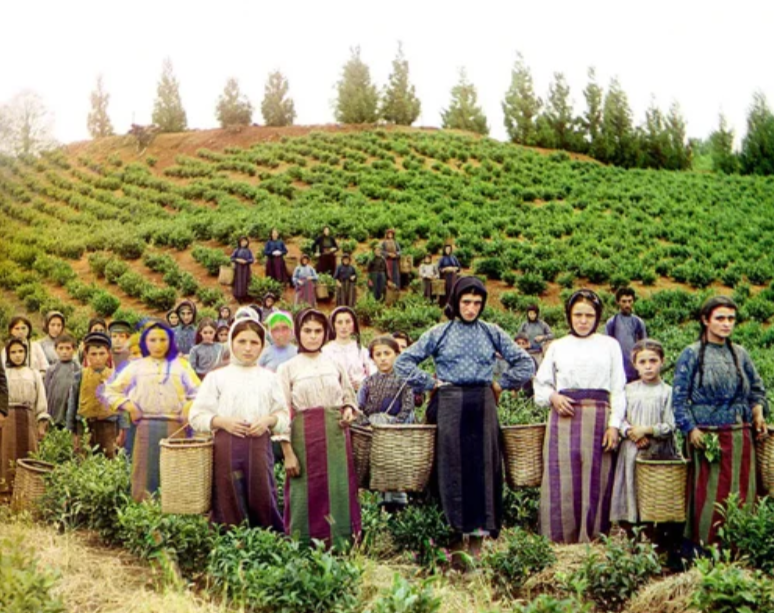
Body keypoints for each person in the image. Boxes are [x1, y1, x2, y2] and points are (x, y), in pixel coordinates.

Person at [394, 277, 535, 557]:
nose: (471, 308)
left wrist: (500, 384)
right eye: (466, 302)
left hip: (482, 406)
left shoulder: (491, 331)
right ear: (456, 302)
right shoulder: (440, 332)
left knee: (482, 470)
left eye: (477, 303)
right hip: (449, 404)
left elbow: (526, 363)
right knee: (450, 470)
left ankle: (477, 547)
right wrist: (430, 382)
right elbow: (403, 362)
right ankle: (453, 543)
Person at [672, 295, 768, 547]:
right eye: (720, 318)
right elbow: (679, 399)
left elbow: (757, 389)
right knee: (709, 495)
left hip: (740, 436)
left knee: (742, 492)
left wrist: (758, 412)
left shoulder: (740, 354)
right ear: (705, 320)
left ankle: (739, 549)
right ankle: (705, 550)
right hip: (707, 438)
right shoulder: (691, 354)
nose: (727, 324)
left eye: (731, 319)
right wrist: (690, 429)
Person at [534, 289, 626, 544]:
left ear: (597, 318)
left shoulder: (610, 345)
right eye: (578, 315)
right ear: (569, 316)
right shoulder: (558, 347)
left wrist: (614, 426)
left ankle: (594, 539)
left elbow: (618, 389)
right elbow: (540, 385)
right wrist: (553, 397)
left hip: (598, 420)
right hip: (564, 420)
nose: (583, 320)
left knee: (597, 478)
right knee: (562, 479)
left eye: (589, 315)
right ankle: (559, 540)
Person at [189, 317, 289, 529]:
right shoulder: (217, 377)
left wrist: (268, 421)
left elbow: (283, 416)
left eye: (254, 343)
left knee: (261, 494)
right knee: (228, 496)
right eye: (242, 341)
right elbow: (196, 416)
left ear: (262, 346)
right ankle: (230, 545)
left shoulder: (269, 378)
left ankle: (265, 544)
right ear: (231, 343)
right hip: (226, 447)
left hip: (259, 446)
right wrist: (222, 422)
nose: (247, 348)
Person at [277, 309, 361, 548]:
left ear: (325, 333)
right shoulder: (288, 368)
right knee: (304, 492)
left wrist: (347, 411)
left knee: (338, 490)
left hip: (335, 437)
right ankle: (303, 546)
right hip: (304, 439)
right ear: (297, 332)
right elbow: (282, 412)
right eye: (307, 331)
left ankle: (342, 544)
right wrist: (287, 452)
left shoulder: (334, 363)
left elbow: (348, 397)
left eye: (318, 331)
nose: (312, 336)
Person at [103, 322, 200, 501]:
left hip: (176, 427)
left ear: (170, 341)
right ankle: (143, 513)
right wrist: (129, 406)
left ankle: (174, 513)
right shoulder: (136, 367)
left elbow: (199, 393)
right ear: (145, 342)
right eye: (152, 340)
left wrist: (187, 407)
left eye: (163, 339)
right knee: (144, 471)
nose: (158, 344)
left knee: (173, 472)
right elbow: (110, 390)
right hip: (145, 426)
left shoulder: (182, 366)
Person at [610, 339, 677, 527]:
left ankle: (656, 538)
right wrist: (631, 432)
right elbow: (618, 416)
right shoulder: (628, 390)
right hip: (631, 450)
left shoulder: (667, 392)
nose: (648, 367)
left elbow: (670, 424)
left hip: (657, 452)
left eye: (653, 361)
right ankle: (632, 535)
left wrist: (646, 430)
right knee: (630, 489)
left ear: (662, 361)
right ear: (635, 365)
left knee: (654, 494)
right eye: (642, 362)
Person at [1, 338, 49, 493]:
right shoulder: (5, 374)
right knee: (7, 454)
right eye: (13, 352)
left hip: (28, 418)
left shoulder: (33, 373)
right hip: (8, 418)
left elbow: (41, 399)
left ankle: (28, 493)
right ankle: (6, 492)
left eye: (20, 351)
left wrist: (41, 423)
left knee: (29, 453)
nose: (17, 355)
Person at [66, 332, 118, 458]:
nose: (98, 358)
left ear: (108, 355)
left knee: (108, 459)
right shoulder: (80, 376)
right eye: (93, 354)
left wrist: (122, 430)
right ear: (86, 355)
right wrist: (71, 430)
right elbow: (72, 403)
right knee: (83, 458)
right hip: (84, 425)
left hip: (108, 426)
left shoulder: (115, 377)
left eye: (102, 354)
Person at [322, 307, 373, 391]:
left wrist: (363, 385)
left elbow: (373, 373)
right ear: (333, 325)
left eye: (348, 322)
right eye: (339, 322)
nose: (344, 326)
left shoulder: (361, 350)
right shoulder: (326, 351)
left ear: (354, 325)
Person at [605, 287, 647, 383]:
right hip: (618, 367)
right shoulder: (612, 322)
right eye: (624, 301)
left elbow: (644, 346)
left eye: (630, 301)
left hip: (635, 368)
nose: (627, 305)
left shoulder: (638, 322)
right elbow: (608, 347)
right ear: (618, 302)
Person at [44, 333, 80, 429]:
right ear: (55, 350)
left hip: (70, 412)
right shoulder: (51, 370)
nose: (64, 352)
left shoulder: (78, 369)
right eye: (61, 348)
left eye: (68, 348)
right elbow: (45, 392)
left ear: (74, 350)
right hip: (53, 412)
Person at [231, 236, 255, 303]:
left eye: (245, 241)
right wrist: (238, 260)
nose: (244, 243)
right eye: (242, 241)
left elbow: (252, 259)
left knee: (246, 281)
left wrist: (246, 261)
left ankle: (245, 296)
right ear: (239, 242)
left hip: (246, 269)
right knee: (239, 282)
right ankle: (239, 296)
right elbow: (232, 258)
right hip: (238, 269)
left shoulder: (248, 250)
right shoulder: (237, 250)